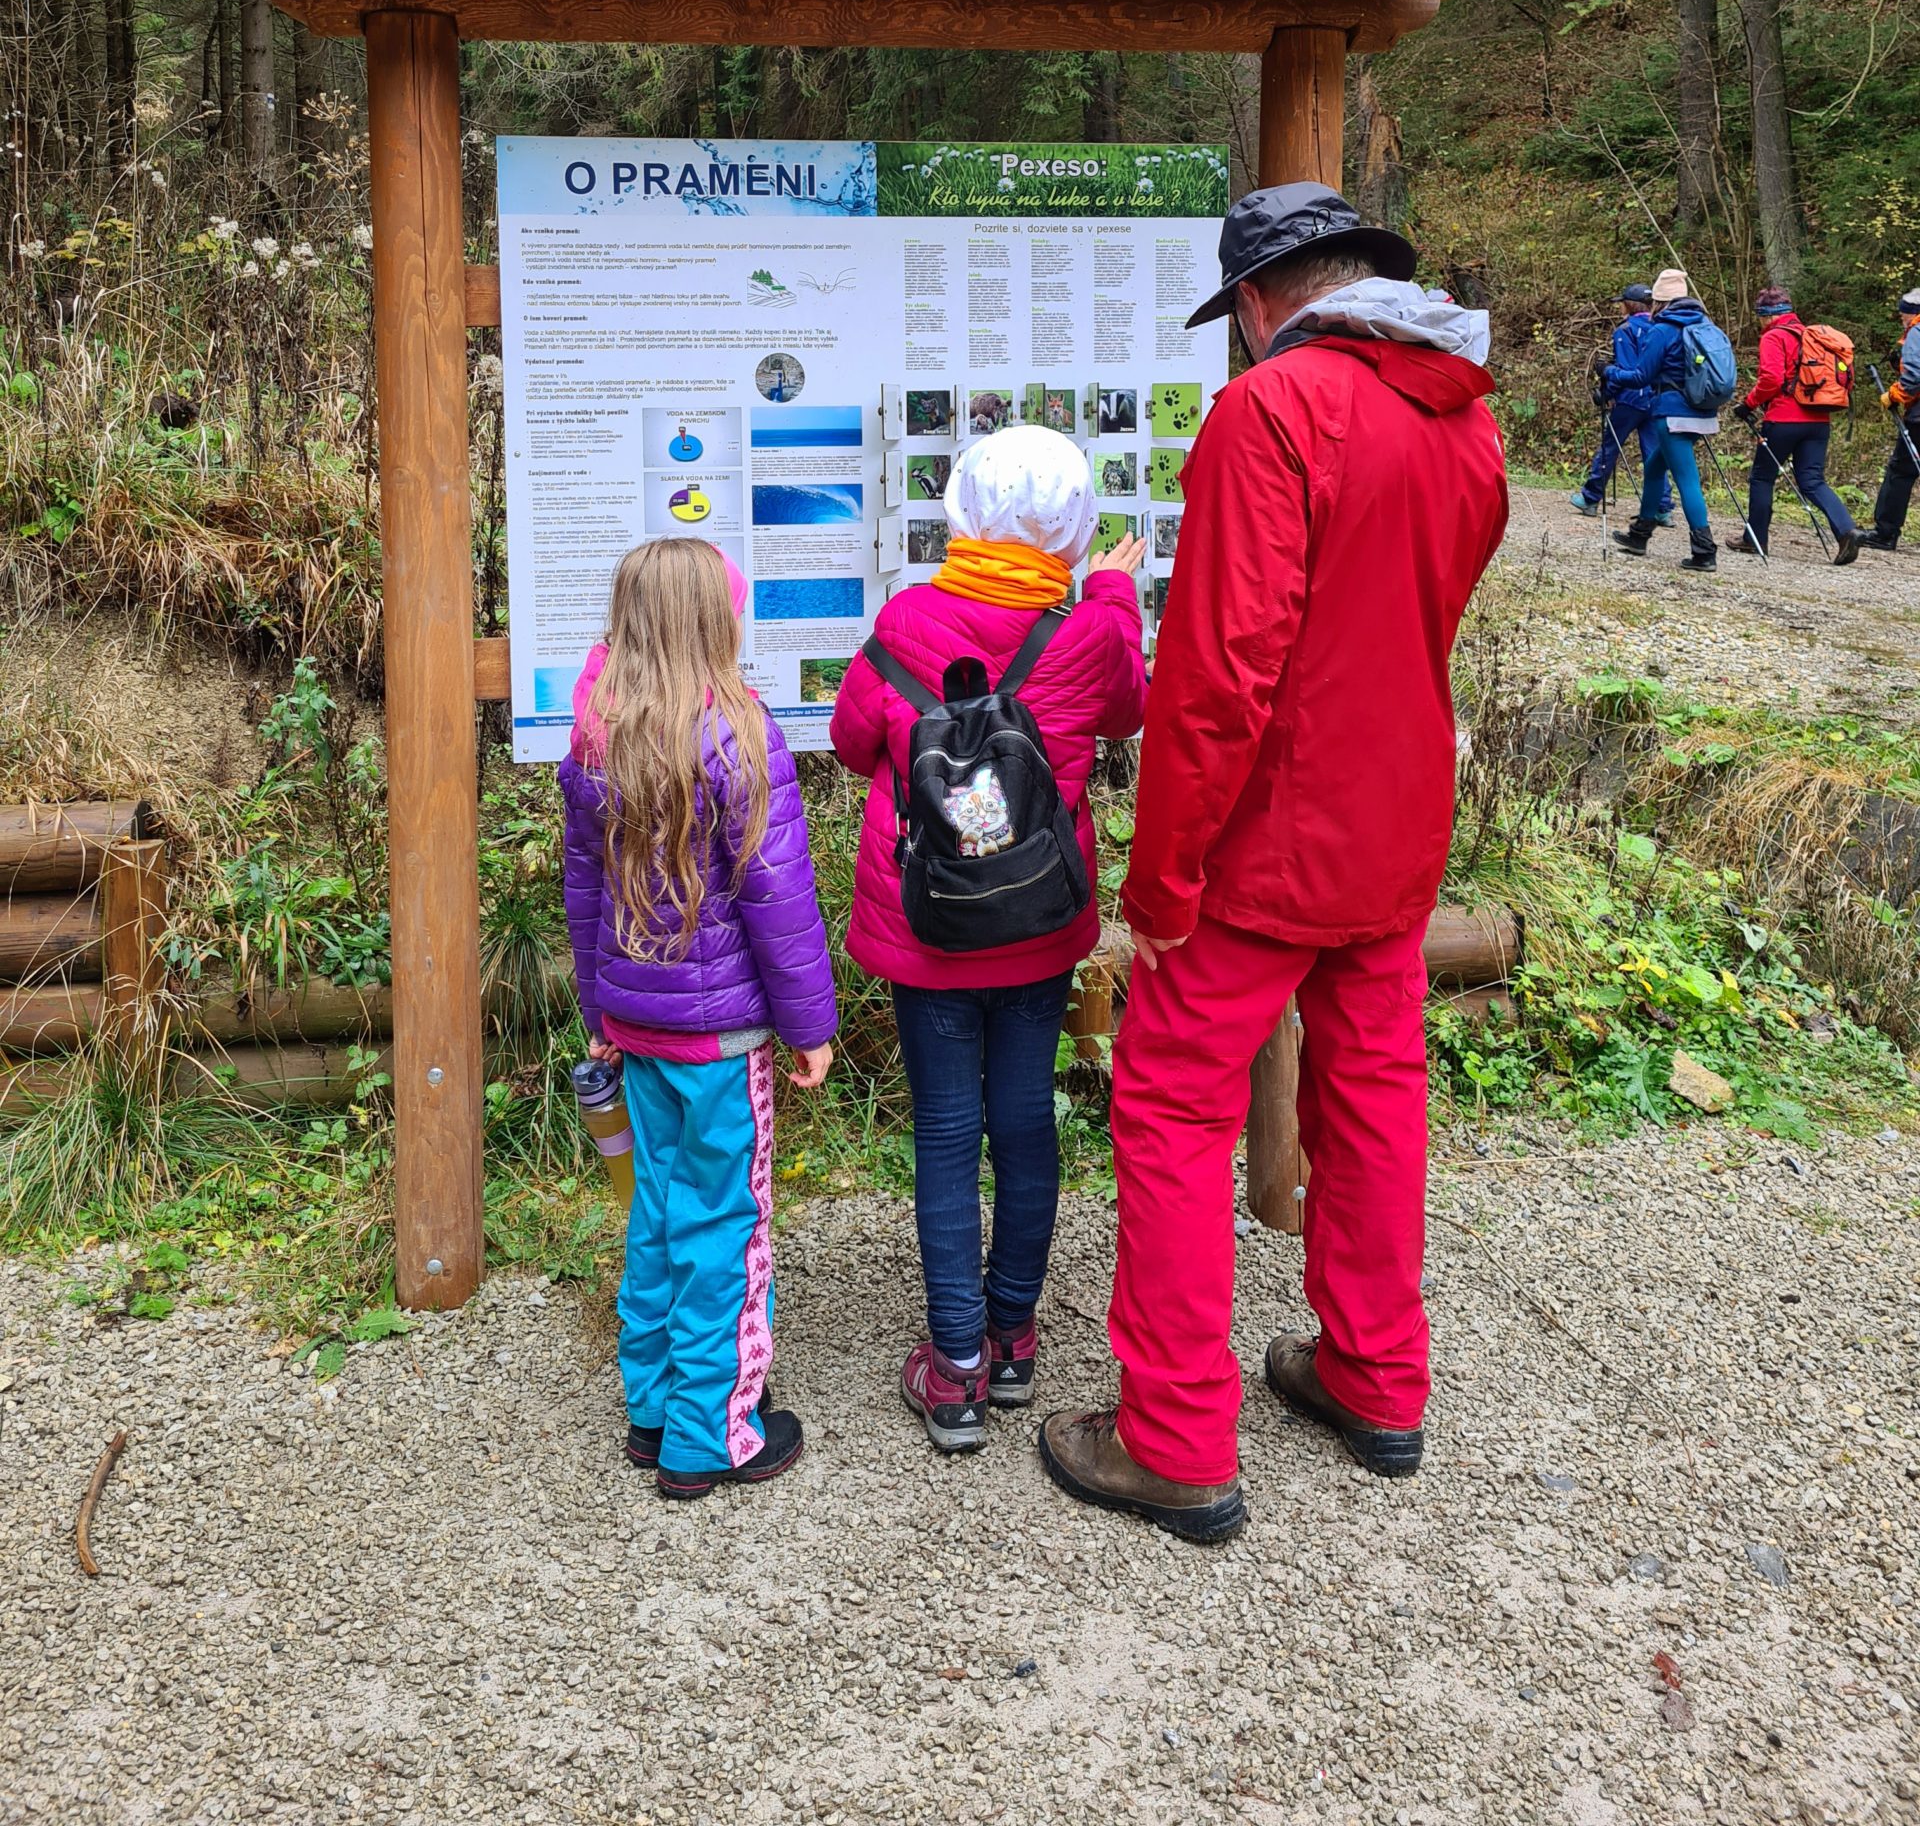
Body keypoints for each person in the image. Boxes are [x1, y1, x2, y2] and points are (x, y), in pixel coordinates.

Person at [1037, 183, 1508, 1544]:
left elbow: (1218, 672)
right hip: (1398, 820)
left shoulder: (1273, 408)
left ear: (1256, 303)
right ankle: (1376, 1376)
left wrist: (1163, 878)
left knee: (1173, 1109)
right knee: (1376, 1093)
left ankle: (1175, 1436)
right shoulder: (1464, 417)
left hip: (1268, 840)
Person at [830, 427, 1147, 1452]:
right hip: (1037, 918)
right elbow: (1128, 710)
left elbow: (851, 741)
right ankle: (1012, 1337)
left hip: (927, 922)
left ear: (963, 509)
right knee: (1021, 1123)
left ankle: (954, 1366)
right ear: (1072, 523)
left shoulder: (907, 619)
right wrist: (1109, 595)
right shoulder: (1085, 631)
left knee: (944, 1130)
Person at [561, 538, 838, 1501]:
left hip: (637, 1029)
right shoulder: (738, 733)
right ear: (714, 622)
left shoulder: (596, 737)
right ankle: (710, 1436)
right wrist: (809, 1025)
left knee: (659, 1211)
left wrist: (599, 1008)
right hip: (721, 1043)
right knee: (726, 1223)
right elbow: (780, 901)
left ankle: (654, 1408)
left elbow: (584, 893)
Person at [1727, 288, 1860, 565]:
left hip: (1784, 419)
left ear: (1767, 315)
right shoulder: (1812, 336)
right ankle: (1847, 530)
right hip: (1819, 420)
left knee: (1762, 477)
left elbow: (1771, 380)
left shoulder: (1774, 336)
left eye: (1760, 317)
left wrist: (1748, 404)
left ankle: (1755, 540)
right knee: (1813, 481)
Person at [1610, 267, 1724, 573]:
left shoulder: (1662, 330)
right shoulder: (1703, 324)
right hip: (1701, 410)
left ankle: (1704, 550)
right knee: (1654, 467)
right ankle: (1640, 534)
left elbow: (1640, 376)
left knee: (1687, 478)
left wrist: (1610, 372)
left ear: (1659, 302)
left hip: (1673, 413)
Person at [1570, 285, 1674, 524]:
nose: (1619, 307)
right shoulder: (1660, 328)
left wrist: (1607, 392)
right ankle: (1662, 506)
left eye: (1622, 303)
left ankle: (1590, 497)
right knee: (1654, 453)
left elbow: (1627, 369)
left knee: (1610, 446)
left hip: (1629, 399)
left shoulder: (1625, 330)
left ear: (1630, 305)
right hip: (1655, 398)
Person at [1864, 288, 1920, 552]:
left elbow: (1914, 376)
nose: (1902, 320)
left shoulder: (1917, 332)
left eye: (1903, 315)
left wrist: (1894, 395)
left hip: (1918, 419)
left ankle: (1885, 533)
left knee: (1900, 472)